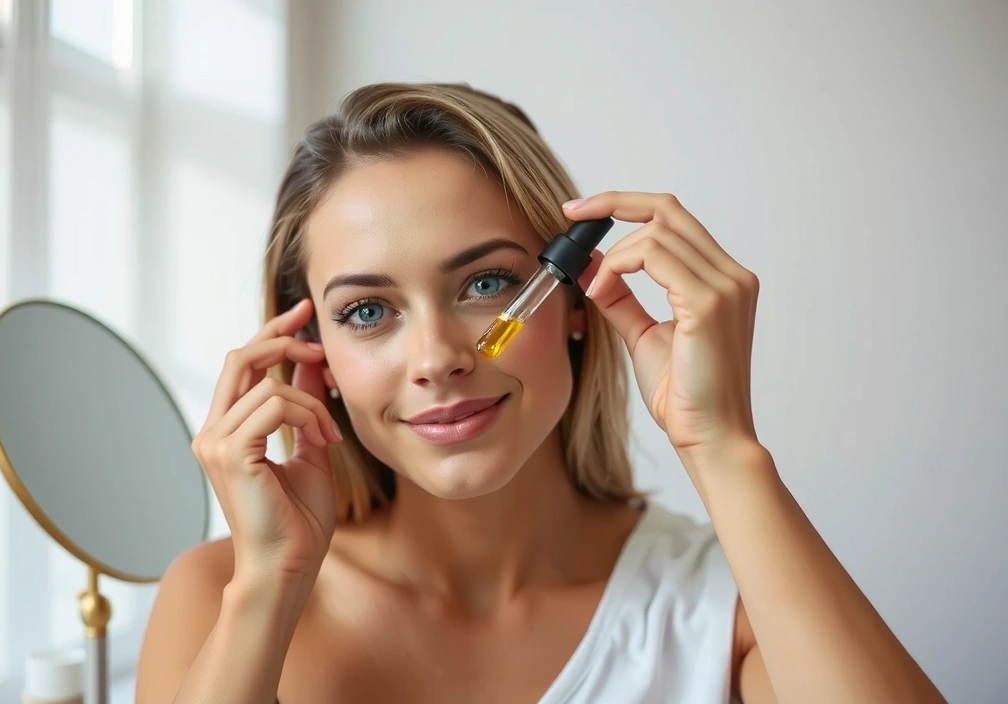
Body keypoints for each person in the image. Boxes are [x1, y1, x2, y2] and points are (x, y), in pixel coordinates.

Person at [135, 82, 945, 703]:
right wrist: (270, 588)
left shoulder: (726, 608)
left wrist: (723, 448)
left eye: (487, 282)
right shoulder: (220, 595)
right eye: (369, 311)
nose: (438, 358)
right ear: (315, 353)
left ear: (577, 300)